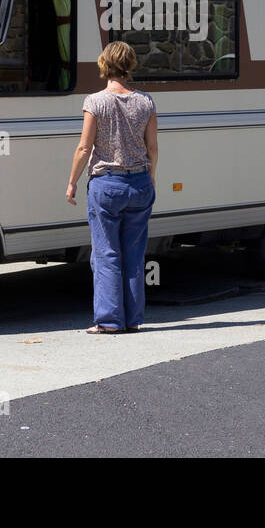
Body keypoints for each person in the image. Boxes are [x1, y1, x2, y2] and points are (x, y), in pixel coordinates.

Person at [66, 41, 158, 334]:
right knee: (134, 254)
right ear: (130, 65)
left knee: (106, 254)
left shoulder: (95, 102)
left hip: (107, 185)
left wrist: (72, 182)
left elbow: (84, 148)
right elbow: (152, 148)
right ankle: (132, 319)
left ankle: (108, 320)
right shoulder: (146, 102)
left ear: (104, 64)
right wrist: (151, 176)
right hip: (140, 182)